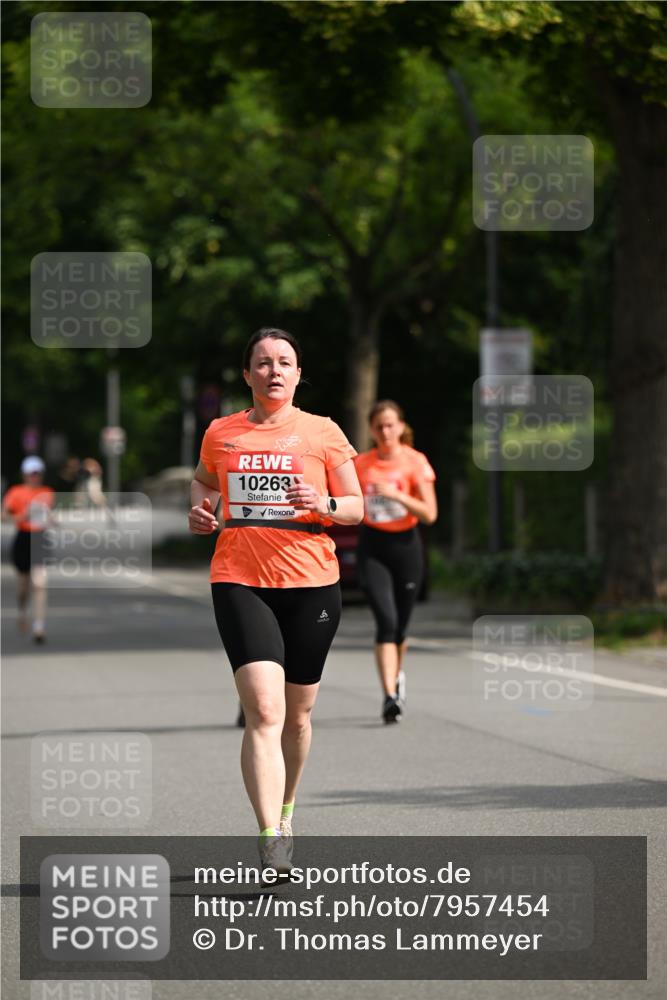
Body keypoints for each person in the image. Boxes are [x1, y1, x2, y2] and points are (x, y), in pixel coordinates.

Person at [188, 327, 363, 872]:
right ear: (247, 375)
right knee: (263, 709)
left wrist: (325, 500)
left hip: (312, 580)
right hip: (239, 577)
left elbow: (358, 506)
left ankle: (287, 809)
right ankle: (270, 837)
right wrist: (200, 511)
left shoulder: (322, 432)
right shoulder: (222, 432)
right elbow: (203, 483)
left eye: (284, 362)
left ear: (298, 372)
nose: (274, 371)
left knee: (298, 717)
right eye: (263, 363)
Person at [354, 401, 437, 724]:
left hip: (407, 548)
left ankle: (396, 675)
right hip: (373, 548)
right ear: (371, 430)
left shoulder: (416, 463)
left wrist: (396, 495)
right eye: (379, 426)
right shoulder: (361, 465)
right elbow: (349, 505)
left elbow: (430, 514)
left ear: (401, 427)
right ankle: (390, 696)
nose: (385, 432)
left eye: (391, 425)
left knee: (400, 627)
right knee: (386, 622)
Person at [2, 456, 55, 643]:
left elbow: (49, 516)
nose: (35, 477)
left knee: (40, 584)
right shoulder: (15, 492)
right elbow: (4, 516)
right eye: (31, 473)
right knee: (24, 586)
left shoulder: (47, 492)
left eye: (38, 473)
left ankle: (39, 627)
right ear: (25, 474)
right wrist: (23, 515)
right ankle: (22, 611)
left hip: (40, 538)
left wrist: (52, 520)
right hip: (23, 538)